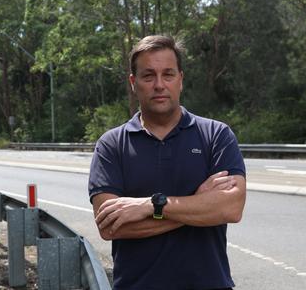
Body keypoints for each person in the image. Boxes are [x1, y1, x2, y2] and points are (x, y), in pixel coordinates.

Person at [88, 35, 247, 290]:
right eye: (148, 76)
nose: (159, 85)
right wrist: (199, 205)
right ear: (133, 82)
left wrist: (151, 206)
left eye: (168, 74)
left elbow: (231, 209)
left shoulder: (216, 135)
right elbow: (110, 227)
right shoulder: (112, 144)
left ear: (180, 80)